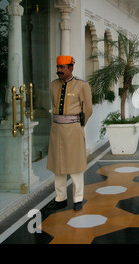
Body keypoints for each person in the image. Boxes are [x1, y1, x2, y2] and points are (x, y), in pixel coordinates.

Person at [47, 55, 93, 211]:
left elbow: (88, 109)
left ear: (71, 68)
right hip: (57, 130)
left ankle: (77, 198)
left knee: (75, 165)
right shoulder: (53, 85)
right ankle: (60, 198)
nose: (59, 70)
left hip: (73, 129)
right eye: (58, 67)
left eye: (62, 68)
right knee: (57, 165)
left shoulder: (81, 85)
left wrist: (80, 126)